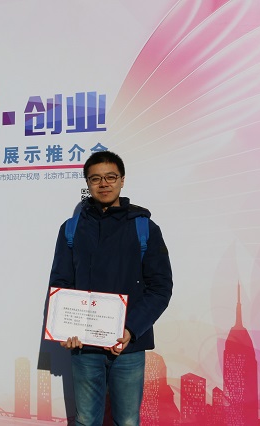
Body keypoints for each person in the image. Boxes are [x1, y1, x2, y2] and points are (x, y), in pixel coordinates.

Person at [49, 151, 173, 426]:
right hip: (85, 347)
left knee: (127, 421)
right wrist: (65, 327)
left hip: (128, 345)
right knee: (85, 420)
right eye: (95, 179)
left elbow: (160, 288)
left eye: (110, 177)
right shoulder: (71, 229)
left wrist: (130, 329)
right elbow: (61, 283)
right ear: (87, 183)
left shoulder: (144, 227)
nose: (103, 183)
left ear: (122, 180)